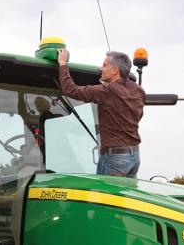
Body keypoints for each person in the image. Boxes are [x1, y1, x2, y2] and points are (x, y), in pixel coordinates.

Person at [57, 49, 145, 178]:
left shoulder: (107, 90)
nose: (101, 68)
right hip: (134, 157)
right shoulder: (138, 90)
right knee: (124, 197)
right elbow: (138, 116)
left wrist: (63, 63)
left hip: (114, 157)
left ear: (114, 70)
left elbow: (70, 90)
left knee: (106, 197)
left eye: (104, 65)